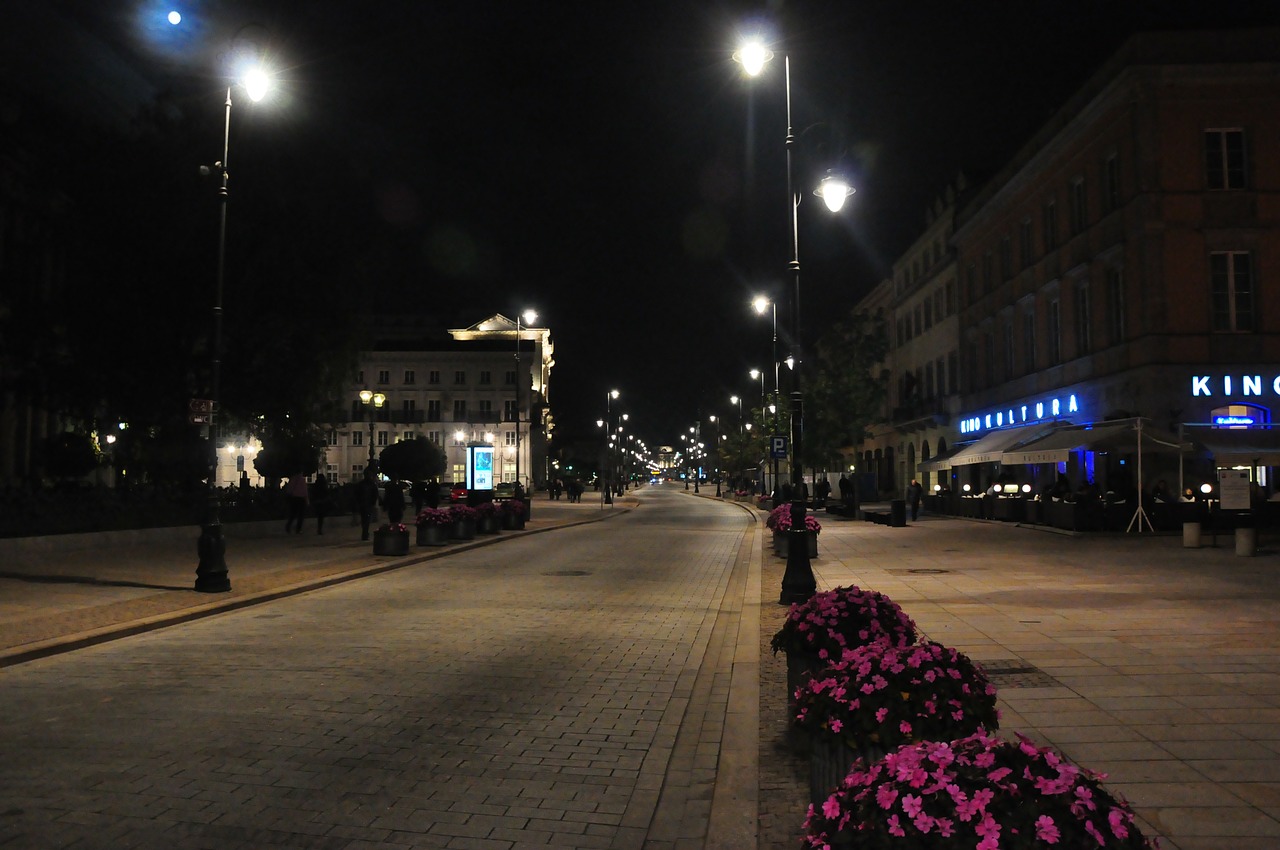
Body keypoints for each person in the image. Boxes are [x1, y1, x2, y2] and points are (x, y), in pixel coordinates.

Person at [356, 469, 379, 540]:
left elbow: (357, 494)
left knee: (364, 519)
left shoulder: (361, 484)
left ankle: (365, 533)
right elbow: (375, 495)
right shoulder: (372, 484)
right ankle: (365, 533)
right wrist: (373, 503)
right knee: (366, 519)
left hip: (363, 504)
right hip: (367, 504)